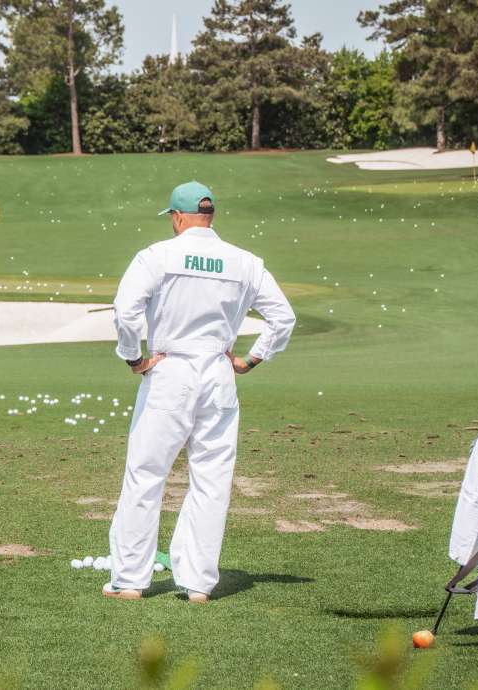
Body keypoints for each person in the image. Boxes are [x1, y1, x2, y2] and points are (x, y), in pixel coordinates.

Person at [104, 181, 296, 602]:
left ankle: (131, 579)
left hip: (169, 369)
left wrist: (132, 357)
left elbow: (126, 309)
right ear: (210, 216)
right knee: (211, 478)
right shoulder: (245, 262)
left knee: (146, 473)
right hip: (218, 371)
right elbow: (283, 318)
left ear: (176, 216)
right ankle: (197, 583)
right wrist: (252, 358)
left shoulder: (156, 255)